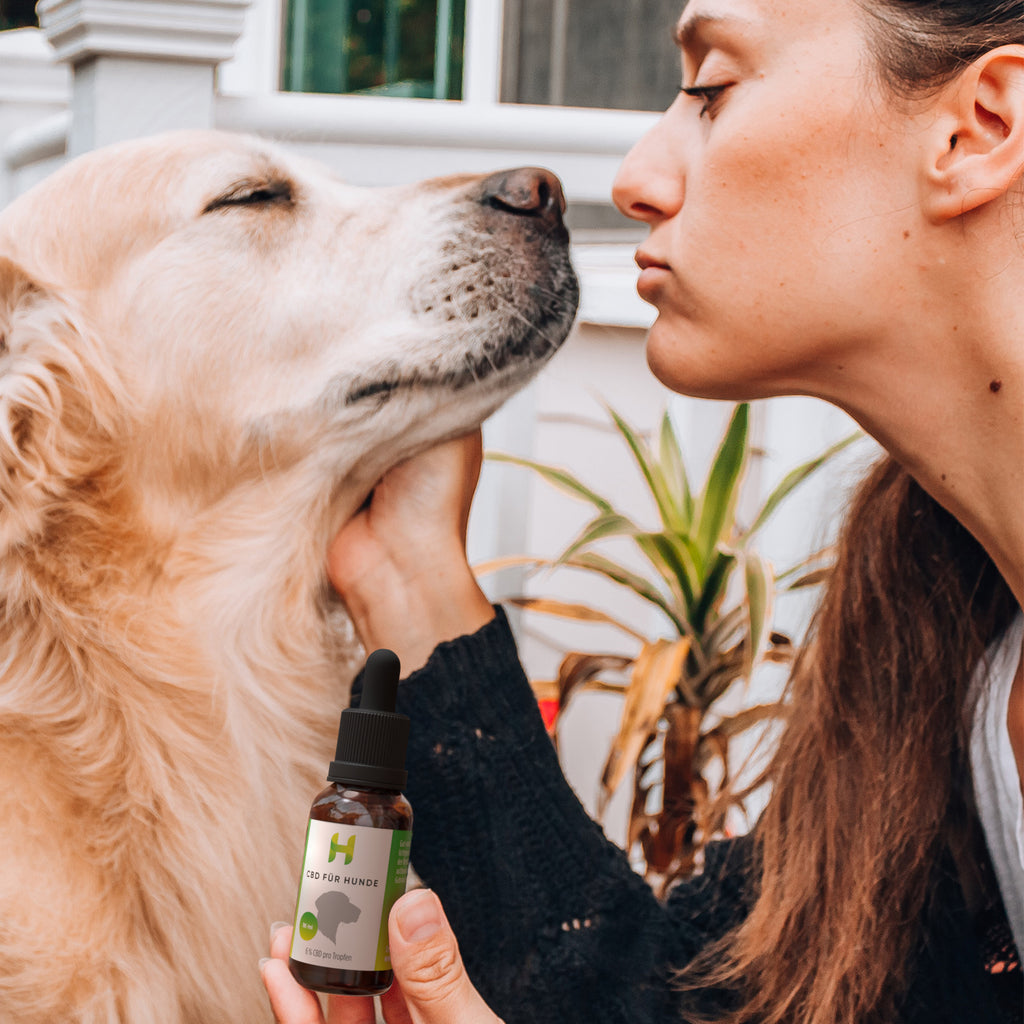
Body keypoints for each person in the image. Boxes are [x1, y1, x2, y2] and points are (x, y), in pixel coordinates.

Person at [260, 0, 1024, 1021]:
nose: (633, 180)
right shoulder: (934, 612)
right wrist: (407, 571)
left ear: (979, 128)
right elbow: (689, 998)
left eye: (711, 90)